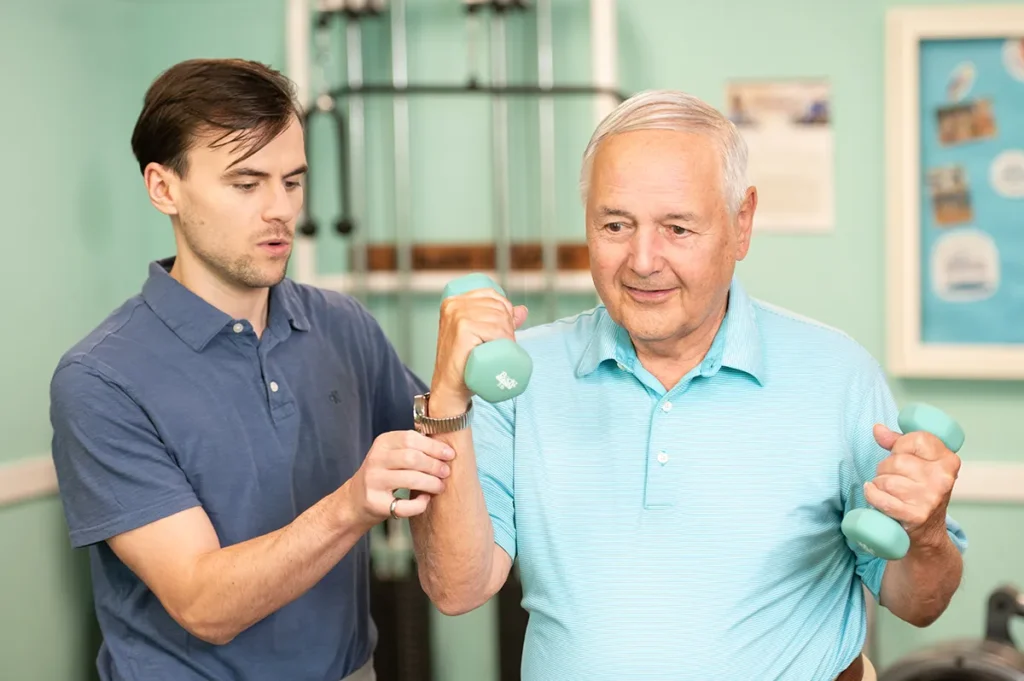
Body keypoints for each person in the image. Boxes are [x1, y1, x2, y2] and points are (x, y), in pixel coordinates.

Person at [408, 90, 968, 680]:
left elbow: (918, 602)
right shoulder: (520, 376)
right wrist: (448, 397)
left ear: (741, 223)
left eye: (677, 228)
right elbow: (457, 589)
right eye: (615, 225)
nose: (643, 260)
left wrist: (928, 533)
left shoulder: (838, 374)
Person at [48, 58, 450, 681]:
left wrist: (459, 379)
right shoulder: (101, 379)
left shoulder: (343, 325)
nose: (280, 209)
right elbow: (203, 604)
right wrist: (350, 505)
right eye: (246, 183)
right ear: (164, 188)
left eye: (292, 182)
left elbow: (445, 457)